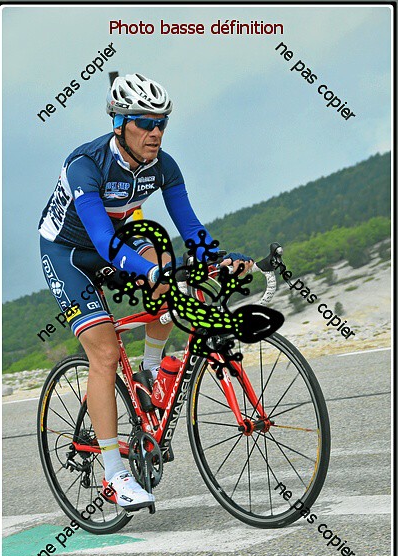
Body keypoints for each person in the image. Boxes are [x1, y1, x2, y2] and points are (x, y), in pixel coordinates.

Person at [38, 73, 253, 511]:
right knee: (104, 354)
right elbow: (103, 241)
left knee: (169, 269)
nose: (155, 132)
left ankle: (151, 369)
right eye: (144, 122)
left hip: (119, 234)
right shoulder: (86, 164)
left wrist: (218, 258)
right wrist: (151, 271)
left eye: (162, 123)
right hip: (69, 252)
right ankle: (115, 475)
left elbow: (190, 227)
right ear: (119, 124)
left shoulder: (164, 166)